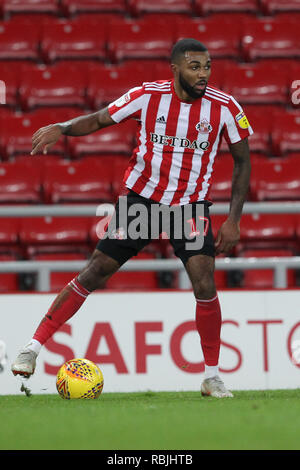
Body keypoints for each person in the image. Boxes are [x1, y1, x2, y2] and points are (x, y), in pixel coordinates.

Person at [11, 38, 252, 398]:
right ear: (175, 69)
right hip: (143, 203)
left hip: (189, 207)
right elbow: (99, 119)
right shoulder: (147, 96)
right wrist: (62, 126)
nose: (203, 74)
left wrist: (233, 219)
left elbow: (243, 161)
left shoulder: (226, 108)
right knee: (95, 271)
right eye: (194, 67)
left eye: (207, 67)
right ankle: (32, 347)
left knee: (205, 282)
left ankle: (212, 376)